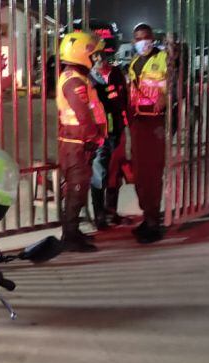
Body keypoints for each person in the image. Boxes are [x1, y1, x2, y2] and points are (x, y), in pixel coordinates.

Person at [56, 30, 107, 252]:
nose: (96, 59)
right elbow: (83, 114)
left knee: (78, 189)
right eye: (93, 54)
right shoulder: (74, 81)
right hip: (77, 144)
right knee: (76, 190)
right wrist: (94, 137)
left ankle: (73, 231)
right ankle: (69, 237)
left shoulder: (75, 77)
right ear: (79, 54)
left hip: (77, 143)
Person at [127, 23, 169, 244]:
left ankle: (154, 221)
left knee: (152, 173)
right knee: (140, 174)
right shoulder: (134, 63)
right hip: (138, 122)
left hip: (155, 123)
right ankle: (147, 215)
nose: (142, 41)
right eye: (137, 38)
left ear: (152, 38)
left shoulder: (163, 59)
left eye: (145, 37)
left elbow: (175, 82)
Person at [89, 29, 128, 230]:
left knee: (115, 172)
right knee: (98, 174)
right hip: (98, 134)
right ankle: (99, 216)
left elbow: (125, 101)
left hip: (117, 131)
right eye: (94, 54)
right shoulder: (87, 78)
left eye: (101, 53)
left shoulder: (116, 74)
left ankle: (112, 211)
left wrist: (125, 127)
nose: (99, 58)